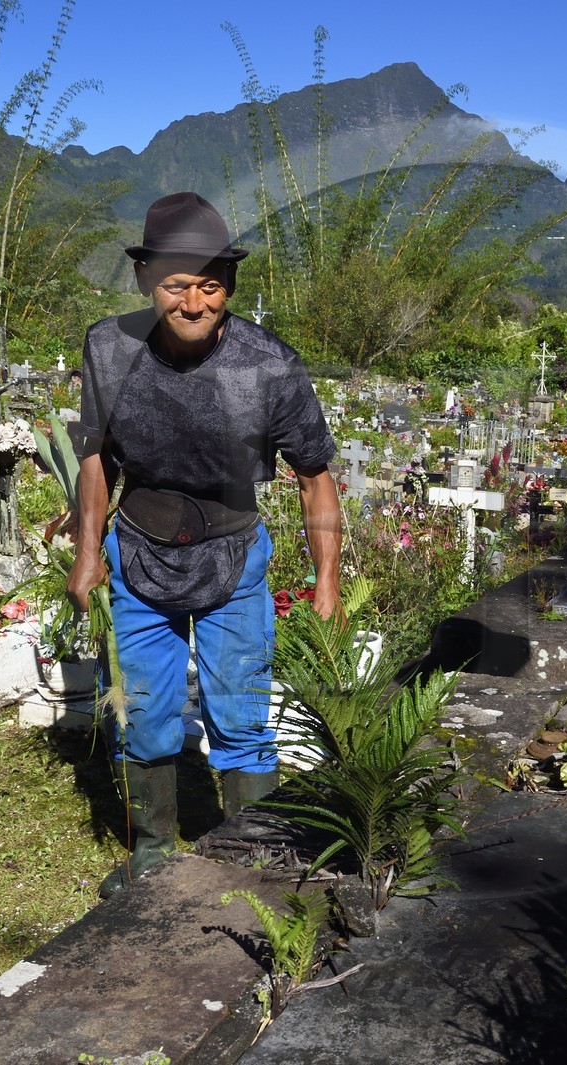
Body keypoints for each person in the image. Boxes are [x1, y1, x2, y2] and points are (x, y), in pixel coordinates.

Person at [67, 192, 341, 897]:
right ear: (144, 280)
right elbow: (95, 455)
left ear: (231, 287)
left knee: (242, 719)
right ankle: (153, 856)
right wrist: (88, 553)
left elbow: (315, 477)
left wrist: (328, 584)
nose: (194, 303)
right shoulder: (108, 348)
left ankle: (256, 866)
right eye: (176, 284)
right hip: (138, 555)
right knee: (144, 716)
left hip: (233, 560)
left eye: (211, 286)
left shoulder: (270, 366)